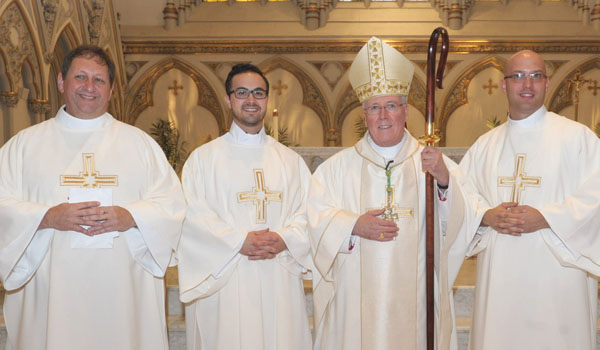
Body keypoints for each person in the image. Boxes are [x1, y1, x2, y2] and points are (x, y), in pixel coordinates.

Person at [0, 45, 186, 349]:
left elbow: (172, 205)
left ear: (111, 89)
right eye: (81, 77)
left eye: (99, 80)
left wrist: (131, 217)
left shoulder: (139, 144)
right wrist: (47, 217)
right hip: (51, 289)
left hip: (123, 290)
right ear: (61, 82)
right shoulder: (24, 146)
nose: (89, 87)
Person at [308, 36, 477, 350]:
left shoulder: (435, 165)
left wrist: (442, 182)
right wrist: (351, 225)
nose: (383, 115)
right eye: (374, 107)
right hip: (354, 303)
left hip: (417, 299)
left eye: (391, 106)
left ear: (406, 113)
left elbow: (463, 222)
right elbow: (314, 219)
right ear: (364, 116)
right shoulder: (335, 170)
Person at [460, 50, 600, 349]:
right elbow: (460, 198)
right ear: (504, 85)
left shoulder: (578, 139)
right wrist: (487, 216)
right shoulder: (485, 146)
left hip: (558, 275)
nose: (527, 84)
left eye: (536, 75)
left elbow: (596, 195)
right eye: (518, 76)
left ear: (547, 84)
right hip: (501, 277)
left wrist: (548, 217)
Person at [177, 63, 313, 350]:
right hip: (226, 279)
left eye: (258, 93)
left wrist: (283, 238)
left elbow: (309, 213)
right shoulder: (203, 160)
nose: (251, 100)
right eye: (242, 92)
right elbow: (191, 215)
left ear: (267, 99)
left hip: (278, 277)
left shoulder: (290, 162)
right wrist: (239, 241)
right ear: (228, 99)